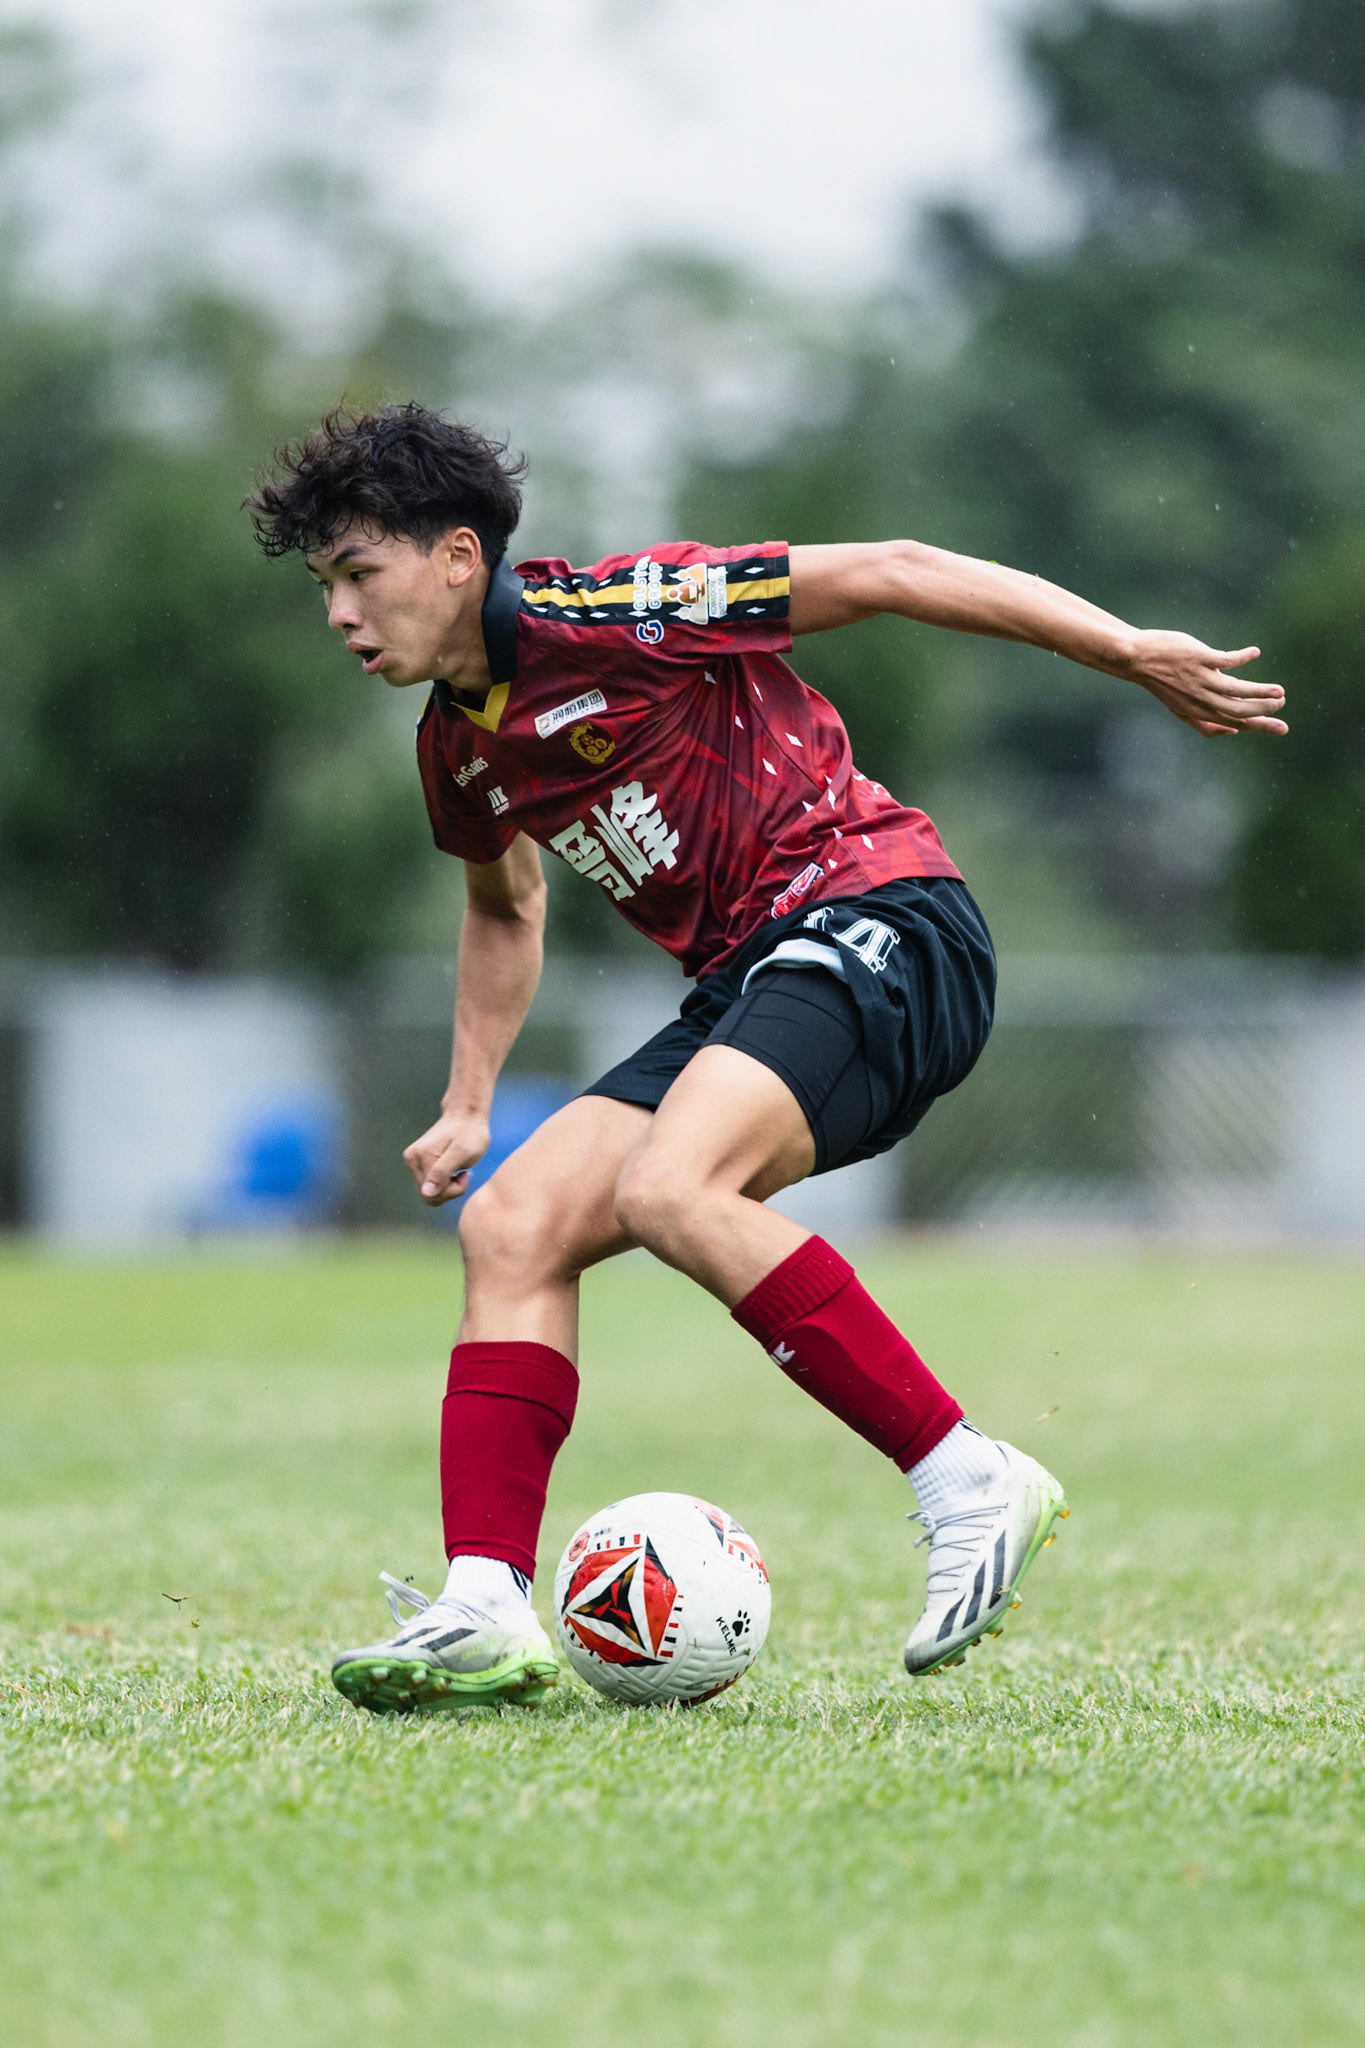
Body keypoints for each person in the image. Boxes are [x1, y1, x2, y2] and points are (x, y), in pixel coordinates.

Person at [247, 403, 1287, 1714]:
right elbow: (505, 909)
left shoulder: (620, 610)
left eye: (359, 574)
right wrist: (467, 1105)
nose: (340, 612)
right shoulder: (459, 748)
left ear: (458, 557)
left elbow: (897, 569)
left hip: (879, 916)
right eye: (325, 585)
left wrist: (1122, 648)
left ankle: (967, 1475)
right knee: (513, 1222)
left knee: (674, 1189)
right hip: (754, 978)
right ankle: (484, 1603)